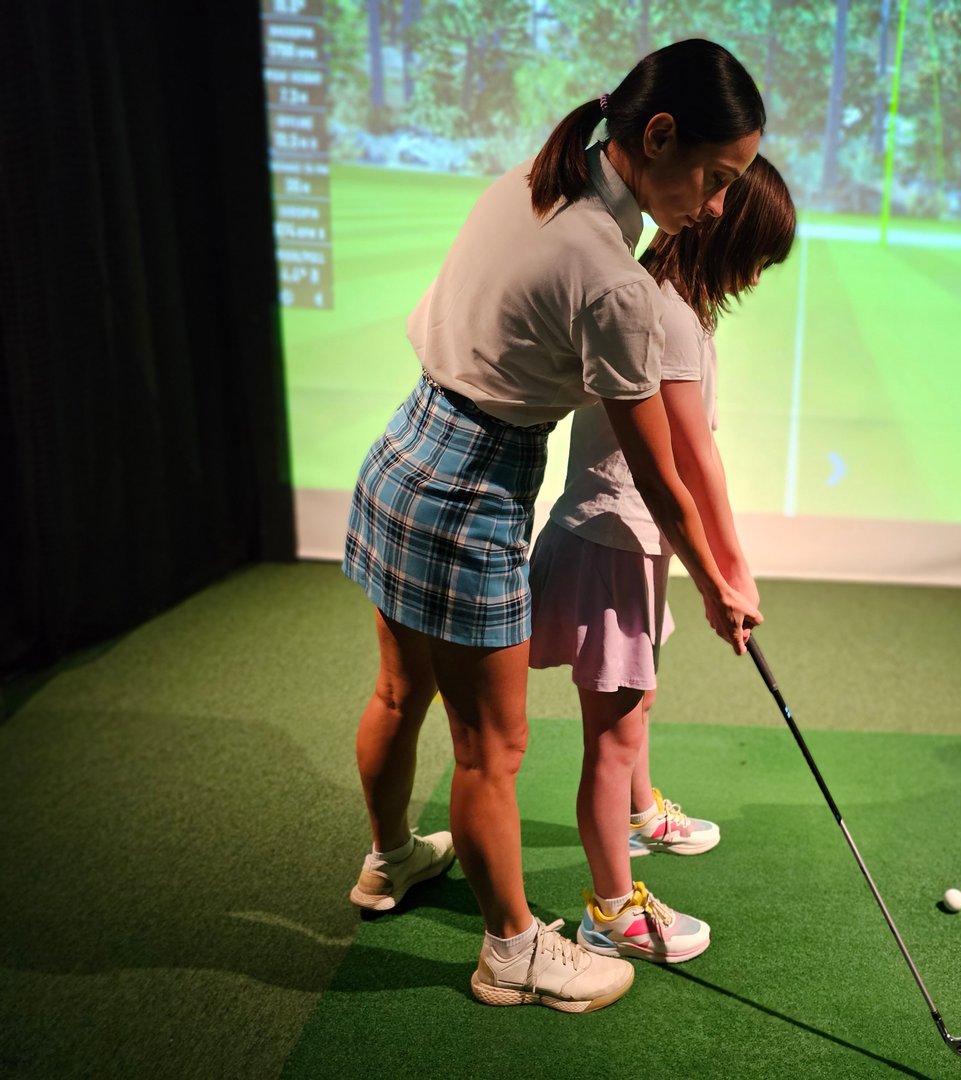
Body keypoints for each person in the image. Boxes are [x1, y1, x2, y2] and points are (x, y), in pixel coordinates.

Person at [339, 39, 766, 1015]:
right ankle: (513, 950)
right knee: (492, 750)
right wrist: (716, 583)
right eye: (715, 177)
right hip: (470, 497)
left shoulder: (532, 180)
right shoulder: (612, 279)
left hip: (400, 455)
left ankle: (389, 859)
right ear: (658, 136)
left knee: (399, 692)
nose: (716, 206)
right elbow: (661, 477)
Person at [527, 157, 795, 965]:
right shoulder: (666, 314)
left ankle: (641, 817)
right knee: (612, 736)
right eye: (756, 255)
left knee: (637, 703)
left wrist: (719, 570)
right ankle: (612, 911)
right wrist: (730, 573)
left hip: (632, 539)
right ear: (724, 233)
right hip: (611, 540)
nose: (756, 276)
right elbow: (695, 457)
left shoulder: (680, 305)